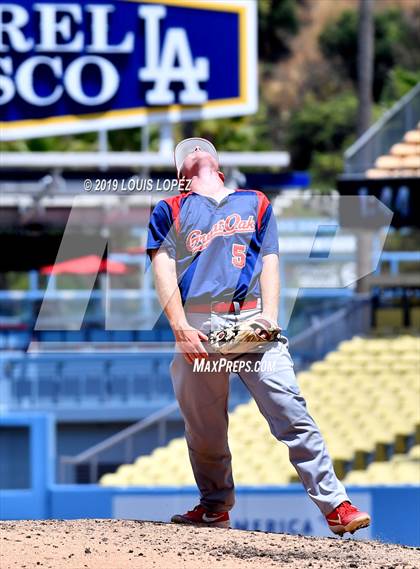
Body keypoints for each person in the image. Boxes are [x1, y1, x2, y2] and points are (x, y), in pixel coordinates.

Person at [146, 137, 371, 536]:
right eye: (186, 152)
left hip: (249, 318)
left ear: (218, 162)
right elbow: (161, 267)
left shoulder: (255, 201)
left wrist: (269, 314)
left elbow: (269, 260)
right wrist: (179, 326)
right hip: (200, 323)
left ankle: (336, 504)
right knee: (204, 428)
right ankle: (215, 506)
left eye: (202, 148)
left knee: (290, 410)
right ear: (181, 175)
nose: (195, 152)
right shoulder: (169, 208)